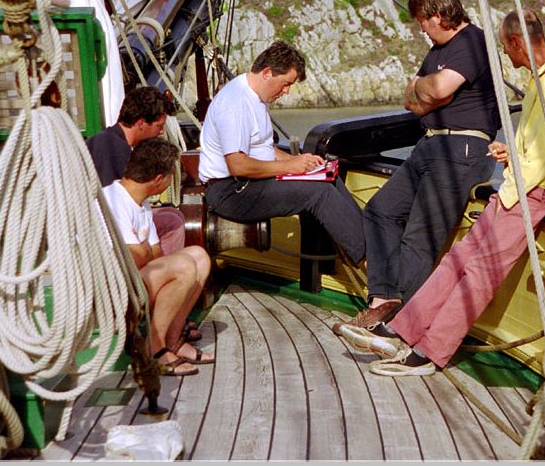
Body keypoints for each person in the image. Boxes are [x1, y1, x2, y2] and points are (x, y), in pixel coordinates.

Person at [338, 12, 545, 376]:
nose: (505, 54)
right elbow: (542, 146)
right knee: (459, 258)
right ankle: (402, 329)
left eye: (505, 46)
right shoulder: (542, 80)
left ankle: (430, 354)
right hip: (520, 188)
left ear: (517, 43)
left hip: (533, 193)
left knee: (480, 274)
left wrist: (512, 188)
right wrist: (510, 153)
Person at [334, 0, 501, 333]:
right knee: (381, 211)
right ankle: (383, 297)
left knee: (419, 237)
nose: (421, 29)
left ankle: (396, 326)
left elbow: (436, 90)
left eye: (422, 22)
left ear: (437, 16)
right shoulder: (438, 51)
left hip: (461, 150)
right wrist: (425, 90)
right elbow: (411, 99)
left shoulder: (472, 41)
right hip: (429, 146)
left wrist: (429, 89)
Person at [198, 41, 365, 265]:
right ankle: (371, 263)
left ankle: (371, 244)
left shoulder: (255, 97)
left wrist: (300, 162)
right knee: (318, 193)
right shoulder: (235, 103)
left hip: (247, 184)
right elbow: (237, 165)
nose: (286, 91)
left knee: (328, 178)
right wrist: (289, 167)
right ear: (267, 73)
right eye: (286, 84)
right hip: (230, 191)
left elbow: (265, 150)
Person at [101, 138, 214, 376]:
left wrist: (141, 249)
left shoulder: (141, 205)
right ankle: (153, 347)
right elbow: (137, 259)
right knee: (183, 266)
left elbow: (153, 255)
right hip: (110, 296)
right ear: (158, 179)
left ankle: (173, 341)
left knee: (199, 257)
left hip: (133, 284)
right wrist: (142, 251)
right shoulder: (112, 200)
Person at [86, 86, 187, 256]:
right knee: (172, 222)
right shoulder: (114, 150)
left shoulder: (111, 140)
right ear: (141, 123)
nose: (161, 132)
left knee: (171, 213)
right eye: (159, 126)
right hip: (99, 230)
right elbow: (113, 206)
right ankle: (159, 273)